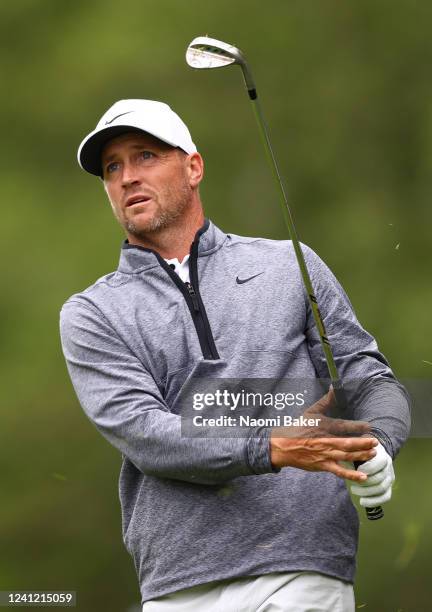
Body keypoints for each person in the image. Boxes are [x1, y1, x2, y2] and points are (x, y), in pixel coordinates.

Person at [60, 99, 410, 611]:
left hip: (302, 563)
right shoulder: (94, 312)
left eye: (147, 156)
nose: (128, 176)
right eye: (113, 167)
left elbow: (368, 377)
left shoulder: (290, 265)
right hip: (180, 582)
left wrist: (378, 441)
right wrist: (270, 445)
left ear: (194, 166)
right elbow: (145, 433)